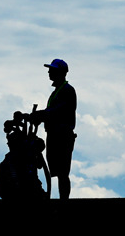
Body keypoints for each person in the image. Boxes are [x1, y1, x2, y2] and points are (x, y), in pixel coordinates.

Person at [30, 58, 76, 199]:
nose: (49, 72)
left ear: (60, 73)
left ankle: (64, 201)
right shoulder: (57, 91)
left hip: (63, 135)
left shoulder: (67, 90)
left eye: (52, 70)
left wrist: (41, 115)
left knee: (63, 172)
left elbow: (57, 110)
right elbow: (51, 111)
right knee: (56, 170)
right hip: (54, 135)